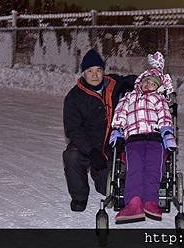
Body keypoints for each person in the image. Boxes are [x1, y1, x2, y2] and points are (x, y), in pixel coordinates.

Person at [62, 49, 136, 212]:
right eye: (90, 71)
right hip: (88, 147)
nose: (94, 75)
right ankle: (79, 197)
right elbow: (73, 130)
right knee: (71, 156)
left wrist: (150, 83)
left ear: (103, 71)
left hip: (111, 148)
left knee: (106, 189)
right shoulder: (74, 98)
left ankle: (100, 176)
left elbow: (138, 81)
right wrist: (91, 151)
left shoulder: (115, 85)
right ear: (83, 73)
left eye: (98, 70)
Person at [108, 52, 177, 223]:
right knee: (135, 168)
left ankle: (150, 200)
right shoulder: (129, 97)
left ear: (158, 87)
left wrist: (167, 133)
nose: (148, 85)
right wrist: (117, 129)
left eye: (153, 83)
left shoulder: (159, 99)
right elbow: (120, 113)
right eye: (146, 81)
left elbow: (164, 116)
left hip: (155, 139)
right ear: (140, 82)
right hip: (134, 139)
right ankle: (134, 202)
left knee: (154, 168)